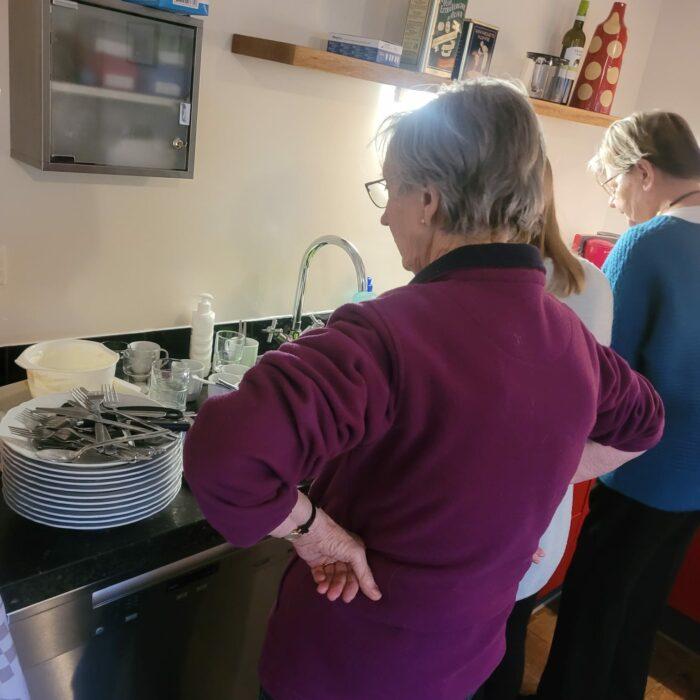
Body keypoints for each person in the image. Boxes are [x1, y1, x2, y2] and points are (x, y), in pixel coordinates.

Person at [183, 79, 664, 700]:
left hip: (343, 669)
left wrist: (314, 532)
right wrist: (527, 473)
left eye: (391, 190)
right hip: (458, 667)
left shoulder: (388, 332)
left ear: (430, 200)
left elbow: (225, 450)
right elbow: (646, 424)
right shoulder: (568, 337)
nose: (384, 213)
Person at [535, 111, 700, 700]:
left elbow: (605, 373)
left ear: (645, 172)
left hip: (641, 473)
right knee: (637, 617)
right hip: (694, 480)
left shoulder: (648, 242)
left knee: (591, 615)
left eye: (616, 183)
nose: (619, 201)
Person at [473, 159, 614, 700]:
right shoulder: (591, 283)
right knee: (505, 639)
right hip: (540, 508)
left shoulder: (504, 284)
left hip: (514, 509)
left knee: (479, 647)